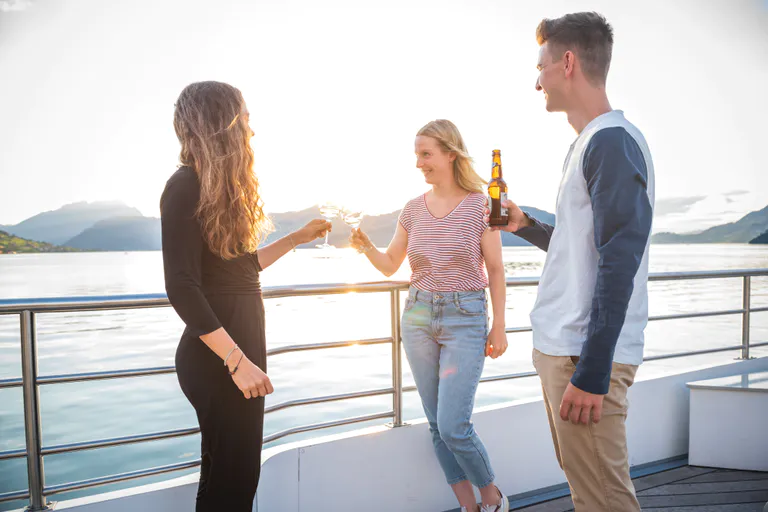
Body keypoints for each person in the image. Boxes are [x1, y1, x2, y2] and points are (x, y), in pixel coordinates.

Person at [486, 12, 655, 511]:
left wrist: (593, 371)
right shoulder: (591, 144)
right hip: (570, 352)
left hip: (582, 357)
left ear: (567, 62)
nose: (536, 79)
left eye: (540, 65)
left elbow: (619, 260)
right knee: (590, 494)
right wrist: (527, 226)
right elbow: (586, 246)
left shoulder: (611, 142)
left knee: (604, 500)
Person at [161, 81, 331, 511]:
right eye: (246, 120)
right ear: (222, 125)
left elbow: (241, 269)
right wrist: (236, 361)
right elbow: (181, 285)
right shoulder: (183, 186)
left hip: (238, 353)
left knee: (228, 478)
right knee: (235, 481)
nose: (251, 132)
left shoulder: (219, 192)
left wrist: (298, 237)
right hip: (219, 359)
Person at [350, 119, 510, 512]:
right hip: (418, 316)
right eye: (416, 155)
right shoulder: (412, 209)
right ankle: (469, 508)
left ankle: (492, 499)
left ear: (451, 154)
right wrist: (365, 245)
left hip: (465, 318)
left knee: (455, 425)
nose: (419, 163)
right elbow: (391, 265)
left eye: (426, 154)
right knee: (438, 426)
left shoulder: (480, 206)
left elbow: (496, 270)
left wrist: (500, 325)